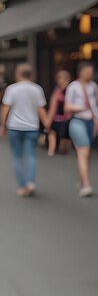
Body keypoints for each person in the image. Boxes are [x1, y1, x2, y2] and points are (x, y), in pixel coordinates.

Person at [0, 64, 49, 196]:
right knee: (31, 154)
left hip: (14, 127)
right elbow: (41, 109)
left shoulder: (12, 89)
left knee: (17, 156)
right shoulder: (37, 89)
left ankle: (22, 185)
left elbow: (5, 108)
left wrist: (2, 125)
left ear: (17, 74)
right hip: (32, 127)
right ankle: (30, 182)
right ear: (31, 75)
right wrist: (48, 125)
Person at [65, 61, 98, 197]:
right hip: (78, 121)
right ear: (81, 72)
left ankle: (82, 180)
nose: (90, 75)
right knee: (83, 152)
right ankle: (86, 185)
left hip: (91, 121)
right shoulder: (73, 87)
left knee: (86, 153)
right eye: (88, 72)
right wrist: (80, 107)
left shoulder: (93, 86)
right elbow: (67, 107)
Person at [46, 70, 72, 156]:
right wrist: (48, 121)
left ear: (67, 79)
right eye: (58, 78)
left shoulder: (71, 90)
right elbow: (53, 107)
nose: (60, 80)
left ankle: (63, 148)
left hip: (67, 118)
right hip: (57, 117)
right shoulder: (57, 91)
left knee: (65, 136)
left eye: (62, 78)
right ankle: (51, 150)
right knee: (52, 132)